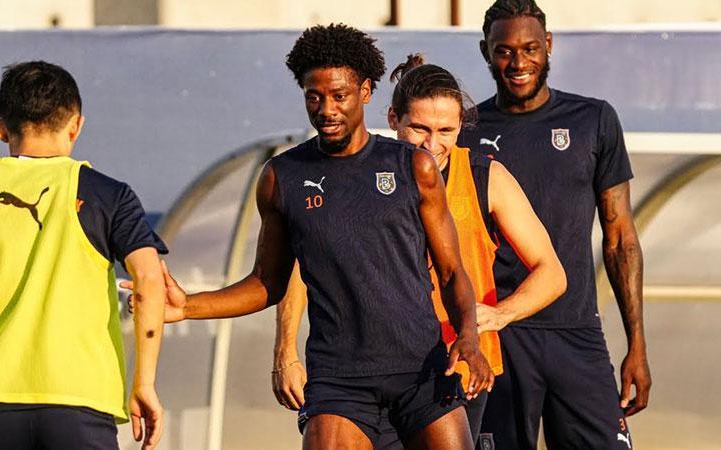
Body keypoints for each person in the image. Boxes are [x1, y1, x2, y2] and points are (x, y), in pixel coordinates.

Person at [125, 24, 492, 450]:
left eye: (339, 95)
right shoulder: (282, 177)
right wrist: (187, 306)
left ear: (365, 92)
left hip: (420, 370)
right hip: (341, 380)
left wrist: (468, 336)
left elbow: (451, 273)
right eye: (314, 97)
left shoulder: (414, 167)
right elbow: (267, 283)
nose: (326, 109)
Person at [271, 54, 567, 448]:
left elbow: (552, 272)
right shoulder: (356, 174)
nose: (432, 143)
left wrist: (499, 314)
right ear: (393, 119)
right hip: (365, 370)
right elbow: (301, 264)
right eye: (419, 128)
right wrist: (286, 350)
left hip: (454, 371)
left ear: (461, 125)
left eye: (446, 130)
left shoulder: (485, 178)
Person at [0, 61, 167, 450]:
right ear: (76, 125)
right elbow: (149, 280)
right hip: (81, 403)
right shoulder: (109, 194)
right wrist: (145, 383)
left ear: (1, 129)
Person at [456, 1, 652, 448]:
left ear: (548, 45)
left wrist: (637, 345)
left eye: (530, 48)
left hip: (577, 331)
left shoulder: (593, 120)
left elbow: (620, 240)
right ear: (486, 51)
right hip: (499, 333)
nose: (518, 63)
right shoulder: (465, 131)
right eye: (504, 51)